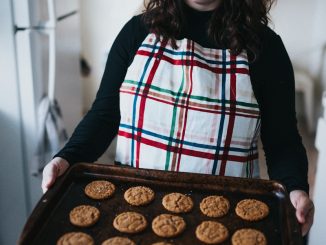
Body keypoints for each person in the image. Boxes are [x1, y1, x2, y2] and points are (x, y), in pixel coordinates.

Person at [42, 0, 314, 237]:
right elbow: (104, 115)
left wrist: (296, 189)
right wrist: (67, 157)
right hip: (133, 212)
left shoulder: (265, 49)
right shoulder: (137, 33)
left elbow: (283, 142)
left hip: (226, 218)